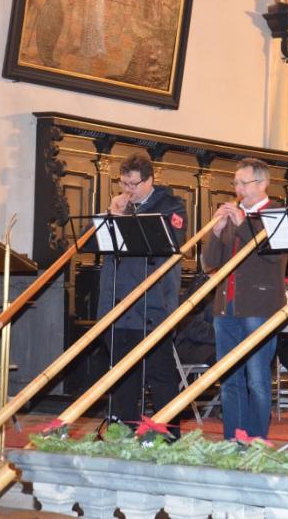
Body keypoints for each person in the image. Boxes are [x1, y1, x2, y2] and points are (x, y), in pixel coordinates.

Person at [97, 152, 187, 428]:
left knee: (160, 374)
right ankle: (125, 431)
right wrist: (111, 217)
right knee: (123, 376)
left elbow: (171, 243)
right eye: (123, 183)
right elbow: (101, 245)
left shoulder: (172, 206)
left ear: (149, 180)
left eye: (133, 184)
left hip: (153, 305)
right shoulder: (120, 207)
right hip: (118, 303)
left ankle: (167, 434)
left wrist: (127, 219)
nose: (128, 190)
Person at [202, 158, 286, 439]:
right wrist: (215, 233)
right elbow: (211, 262)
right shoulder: (233, 215)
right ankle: (234, 439)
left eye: (243, 183)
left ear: (263, 184)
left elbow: (274, 258)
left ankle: (257, 440)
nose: (237, 189)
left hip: (259, 307)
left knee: (257, 380)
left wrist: (242, 226)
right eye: (235, 183)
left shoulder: (276, 213)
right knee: (229, 380)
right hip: (226, 307)